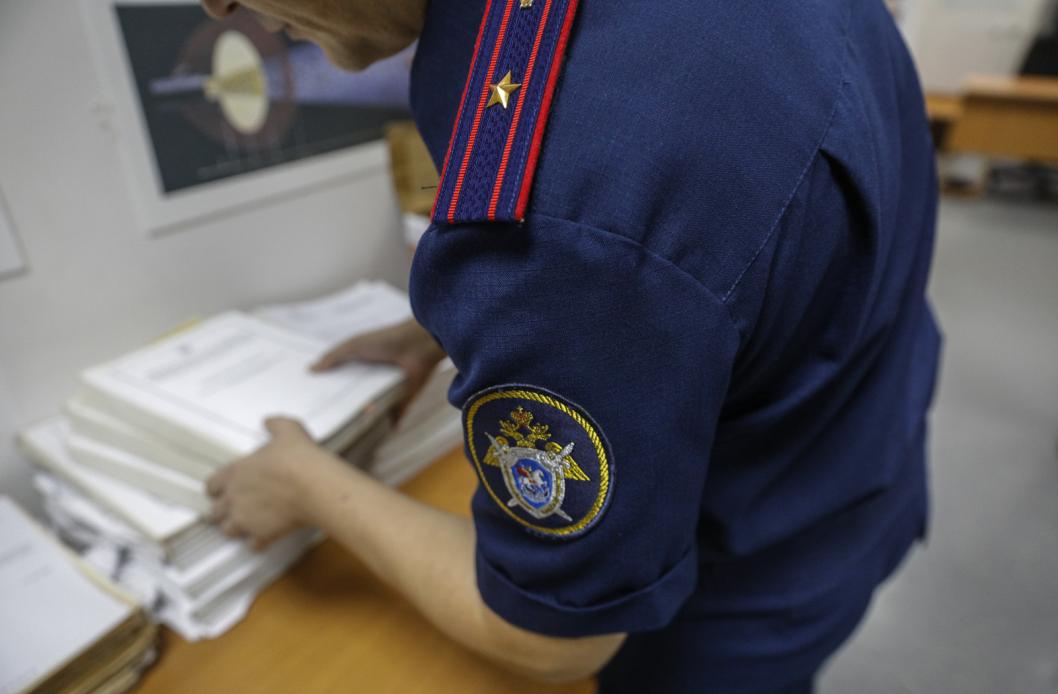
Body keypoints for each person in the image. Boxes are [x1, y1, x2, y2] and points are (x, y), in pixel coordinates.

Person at [201, 0, 942, 691]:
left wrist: (307, 486)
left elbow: (550, 638)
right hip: (852, 453)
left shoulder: (564, 203)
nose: (214, 6)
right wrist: (472, 325)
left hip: (733, 604)